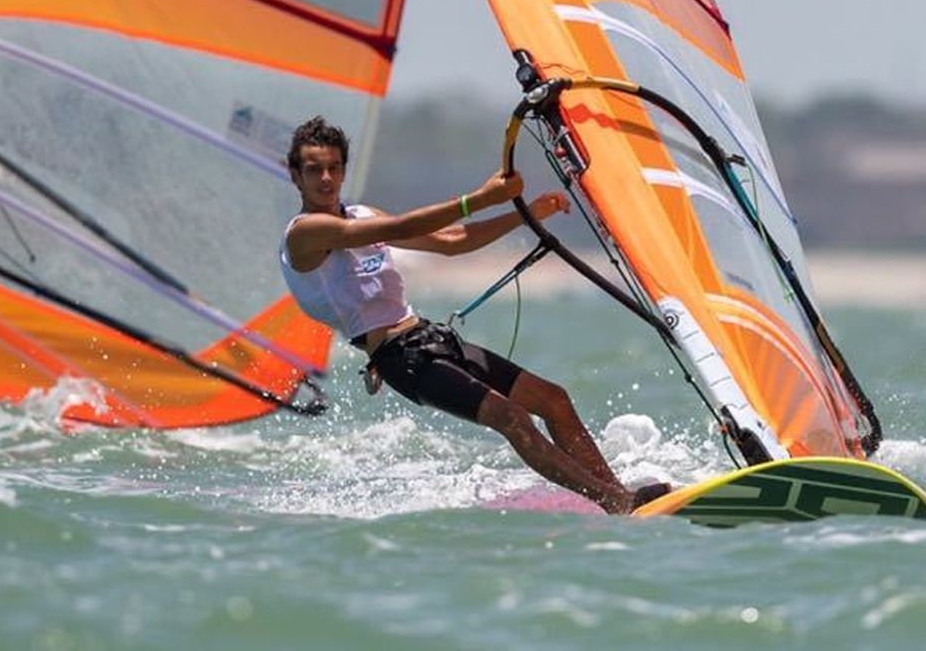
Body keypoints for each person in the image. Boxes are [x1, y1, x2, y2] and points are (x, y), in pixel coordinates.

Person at [279, 117, 668, 514]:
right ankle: (618, 502)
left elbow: (451, 243)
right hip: (400, 360)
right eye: (313, 170)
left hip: (429, 337)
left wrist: (526, 214)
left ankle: (618, 492)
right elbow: (402, 224)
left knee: (554, 400)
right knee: (511, 417)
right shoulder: (304, 233)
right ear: (295, 175)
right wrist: (480, 198)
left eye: (334, 168)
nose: (326, 178)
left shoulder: (360, 214)